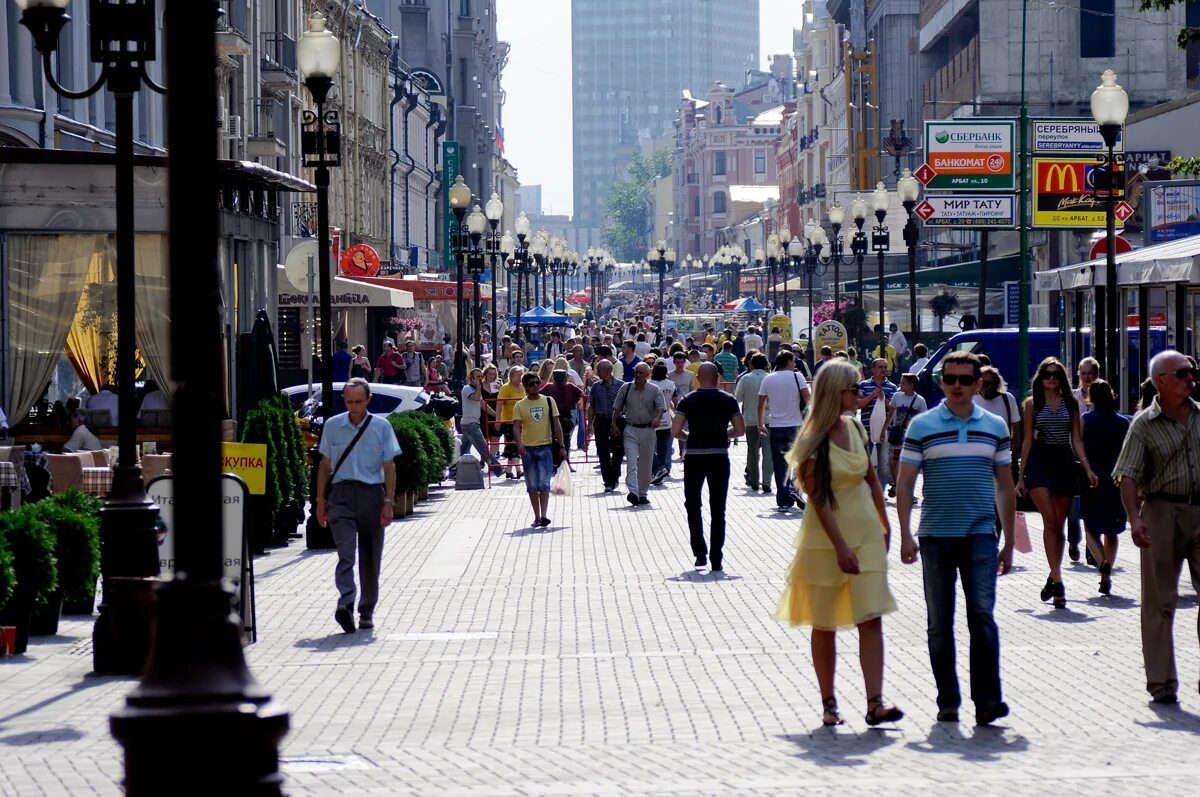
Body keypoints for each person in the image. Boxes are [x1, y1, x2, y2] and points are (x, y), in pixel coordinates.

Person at [775, 361, 902, 727]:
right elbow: (818, 499)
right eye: (853, 389)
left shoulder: (855, 429)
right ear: (835, 392)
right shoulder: (813, 438)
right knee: (825, 621)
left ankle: (875, 701)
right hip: (826, 540)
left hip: (866, 532)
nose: (858, 394)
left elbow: (872, 480)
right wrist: (841, 546)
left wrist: (884, 521)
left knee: (872, 615)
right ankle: (829, 702)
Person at [896, 351, 1016, 726]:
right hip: (934, 536)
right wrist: (904, 533)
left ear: (979, 383)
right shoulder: (922, 425)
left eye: (966, 380)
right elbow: (904, 482)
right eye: (951, 380)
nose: (958, 387)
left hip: (981, 533)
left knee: (982, 616)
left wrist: (1009, 540)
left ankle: (987, 701)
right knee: (939, 623)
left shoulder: (995, 426)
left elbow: (1006, 487)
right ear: (942, 382)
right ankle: (948, 700)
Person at [1113, 351, 1200, 705]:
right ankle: (1161, 683)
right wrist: (1135, 518)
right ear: (1161, 380)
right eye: (1181, 373)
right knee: (1160, 601)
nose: (1189, 378)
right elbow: (1128, 476)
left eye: (1191, 372)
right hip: (1162, 510)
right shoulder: (1143, 424)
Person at [315, 379, 401, 633]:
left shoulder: (381, 427)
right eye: (350, 402)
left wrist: (388, 501)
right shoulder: (333, 426)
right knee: (345, 553)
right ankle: (346, 601)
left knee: (370, 558)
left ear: (368, 400)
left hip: (372, 496)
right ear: (344, 400)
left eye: (359, 402)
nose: (354, 407)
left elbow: (389, 466)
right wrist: (321, 500)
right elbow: (324, 464)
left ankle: (366, 610)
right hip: (340, 496)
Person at [1016, 357, 1097, 609]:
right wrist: (1020, 474)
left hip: (1063, 460)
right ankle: (1059, 581)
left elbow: (1076, 440)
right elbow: (1027, 440)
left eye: (1056, 374)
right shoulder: (1031, 404)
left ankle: (1053, 575)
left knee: (1059, 525)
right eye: (1047, 374)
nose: (1051, 378)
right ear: (1040, 377)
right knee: (1050, 520)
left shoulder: (1071, 403)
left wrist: (1087, 468)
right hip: (1040, 461)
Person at [674, 363, 744, 572]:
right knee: (718, 508)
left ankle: (700, 553)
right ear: (717, 378)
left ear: (697, 377)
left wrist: (688, 437)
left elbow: (676, 430)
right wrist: (725, 434)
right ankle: (716, 557)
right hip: (719, 456)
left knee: (693, 506)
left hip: (694, 456)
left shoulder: (688, 400)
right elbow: (739, 430)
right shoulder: (728, 400)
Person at [1079, 379, 1129, 596]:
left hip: (1092, 478)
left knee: (1090, 526)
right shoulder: (1122, 422)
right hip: (1115, 480)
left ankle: (1102, 566)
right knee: (1112, 530)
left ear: (1091, 398)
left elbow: (1078, 445)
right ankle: (1106, 571)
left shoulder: (1086, 420)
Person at [758, 351, 811, 512]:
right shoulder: (797, 377)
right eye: (793, 360)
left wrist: (761, 423)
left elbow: (760, 403)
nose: (795, 363)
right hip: (795, 425)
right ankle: (794, 490)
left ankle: (783, 499)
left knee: (780, 464)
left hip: (775, 426)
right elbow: (808, 399)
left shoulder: (768, 378)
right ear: (788, 361)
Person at [513, 370, 566, 528]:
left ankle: (543, 516)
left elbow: (557, 425)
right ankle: (536, 516)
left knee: (544, 484)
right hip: (528, 449)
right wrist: (519, 444)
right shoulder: (520, 405)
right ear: (526, 387)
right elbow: (516, 427)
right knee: (532, 486)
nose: (536, 386)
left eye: (537, 382)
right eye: (532, 384)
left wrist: (562, 446)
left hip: (545, 447)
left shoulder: (548, 401)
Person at [612, 362, 666, 506]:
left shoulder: (654, 390)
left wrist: (657, 419)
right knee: (631, 461)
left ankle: (642, 493)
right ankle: (633, 492)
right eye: (636, 372)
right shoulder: (626, 387)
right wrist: (613, 424)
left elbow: (661, 407)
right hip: (630, 429)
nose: (637, 375)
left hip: (648, 430)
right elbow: (617, 407)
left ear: (647, 375)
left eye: (641, 373)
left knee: (645, 464)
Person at [1067, 356, 1102, 563]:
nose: (1087, 377)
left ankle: (1092, 549)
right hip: (1074, 458)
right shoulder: (1072, 398)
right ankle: (1073, 541)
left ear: (1097, 375)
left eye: (1091, 373)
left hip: (1096, 458)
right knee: (1074, 505)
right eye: (1083, 374)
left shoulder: (1103, 397)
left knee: (1093, 504)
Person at [884, 374, 928, 499]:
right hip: (897, 434)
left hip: (911, 437)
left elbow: (923, 419)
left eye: (903, 383)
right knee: (893, 461)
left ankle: (906, 491)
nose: (900, 385)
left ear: (911, 386)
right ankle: (898, 485)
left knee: (908, 464)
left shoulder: (920, 400)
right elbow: (891, 414)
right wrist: (884, 430)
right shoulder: (897, 396)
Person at [734, 352, 772, 493]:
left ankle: (754, 480)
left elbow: (737, 398)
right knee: (768, 451)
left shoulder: (745, 379)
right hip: (768, 418)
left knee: (752, 451)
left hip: (750, 419)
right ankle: (767, 482)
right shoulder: (770, 378)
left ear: (751, 364)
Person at [857, 359, 898, 487]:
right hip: (866, 429)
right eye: (880, 367)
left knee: (883, 462)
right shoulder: (863, 385)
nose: (884, 370)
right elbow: (858, 404)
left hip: (884, 430)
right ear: (873, 369)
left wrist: (883, 398)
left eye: (885, 367)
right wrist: (873, 395)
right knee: (866, 461)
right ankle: (867, 489)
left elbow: (893, 409)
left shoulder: (892, 387)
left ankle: (880, 492)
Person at [587, 360, 625, 492]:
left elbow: (625, 406)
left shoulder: (622, 385)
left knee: (618, 451)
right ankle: (608, 481)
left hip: (617, 421)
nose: (597, 372)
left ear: (608, 371)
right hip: (601, 420)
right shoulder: (596, 387)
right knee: (602, 451)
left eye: (599, 370)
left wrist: (617, 423)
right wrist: (590, 424)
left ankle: (615, 477)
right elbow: (591, 405)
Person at [539, 368, 583, 464]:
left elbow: (540, 395)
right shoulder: (569, 386)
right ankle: (565, 462)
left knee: (553, 440)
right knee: (566, 440)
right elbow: (580, 393)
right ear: (565, 377)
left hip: (552, 418)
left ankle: (555, 463)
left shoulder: (549, 387)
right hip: (566, 417)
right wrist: (572, 402)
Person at [460, 369, 498, 471]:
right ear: (472, 378)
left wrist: (496, 415)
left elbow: (483, 405)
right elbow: (476, 398)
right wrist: (478, 388)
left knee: (463, 450)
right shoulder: (467, 389)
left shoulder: (477, 390)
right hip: (470, 423)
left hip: (472, 422)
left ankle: (455, 470)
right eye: (478, 377)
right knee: (483, 447)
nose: (480, 379)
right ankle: (497, 468)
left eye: (481, 377)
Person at [649, 362, 678, 484]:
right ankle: (660, 472)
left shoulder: (649, 384)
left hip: (651, 421)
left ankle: (657, 470)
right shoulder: (671, 385)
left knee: (649, 448)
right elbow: (675, 402)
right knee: (663, 448)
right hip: (666, 421)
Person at [497, 366, 526, 479]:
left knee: (514, 446)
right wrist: (498, 420)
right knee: (514, 445)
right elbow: (499, 404)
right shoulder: (506, 388)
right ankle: (519, 470)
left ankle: (509, 471)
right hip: (508, 421)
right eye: (518, 375)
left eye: (521, 375)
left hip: (521, 421)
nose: (520, 378)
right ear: (511, 376)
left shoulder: (523, 387)